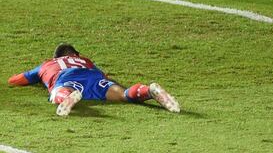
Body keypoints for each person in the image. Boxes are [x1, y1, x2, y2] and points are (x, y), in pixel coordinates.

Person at [8, 43, 180, 116]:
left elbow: (17, 80)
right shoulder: (86, 61)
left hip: (66, 78)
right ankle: (148, 90)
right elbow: (104, 76)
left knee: (58, 91)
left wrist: (39, 76)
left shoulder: (47, 64)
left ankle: (66, 96)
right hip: (93, 77)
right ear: (76, 54)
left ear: (56, 57)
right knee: (123, 94)